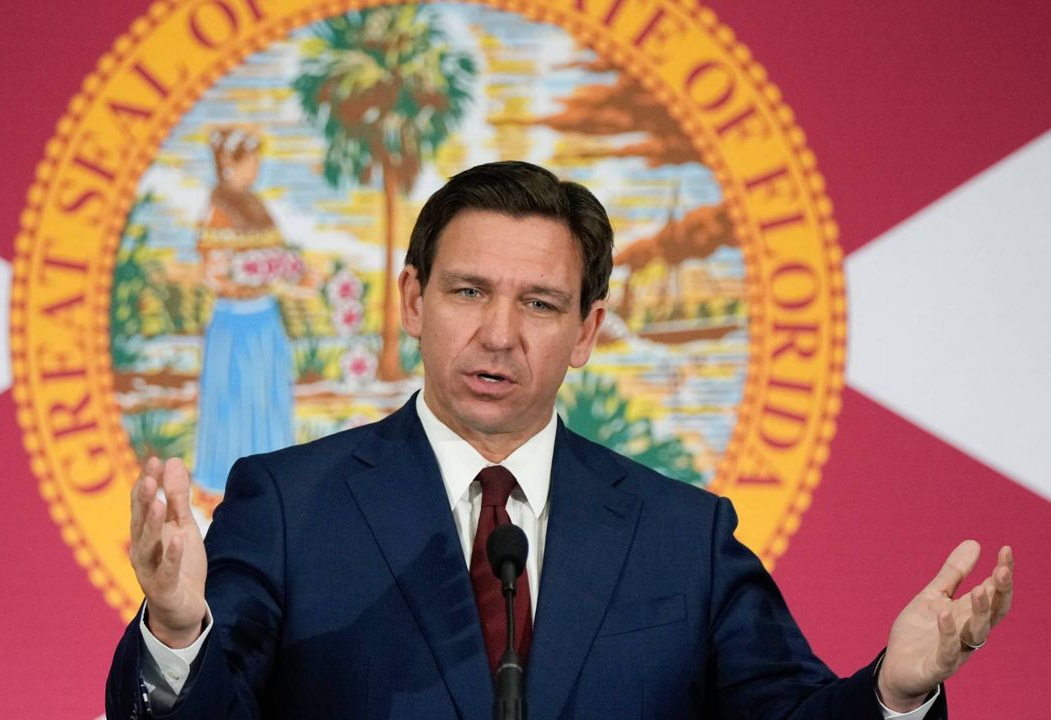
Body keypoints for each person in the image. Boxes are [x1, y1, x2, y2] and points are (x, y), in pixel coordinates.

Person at [108, 161, 1014, 719]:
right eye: (469, 292)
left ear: (586, 332)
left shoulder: (683, 537)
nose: (499, 334)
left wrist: (895, 693)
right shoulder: (289, 505)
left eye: (539, 304)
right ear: (413, 301)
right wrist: (178, 630)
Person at [190, 126, 303, 513]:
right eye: (250, 161)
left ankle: (273, 490)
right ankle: (221, 492)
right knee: (234, 403)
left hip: (264, 320)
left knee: (266, 401)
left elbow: (277, 256)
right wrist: (246, 279)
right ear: (229, 164)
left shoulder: (256, 205)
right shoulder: (217, 209)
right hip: (235, 323)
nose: (256, 168)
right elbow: (213, 272)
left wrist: (285, 274)